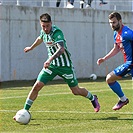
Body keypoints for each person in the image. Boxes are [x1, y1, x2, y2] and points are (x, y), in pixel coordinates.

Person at [13, 13, 100, 120]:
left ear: (51, 23)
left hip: (65, 66)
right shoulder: (43, 32)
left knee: (76, 91)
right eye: (43, 26)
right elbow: (40, 38)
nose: (45, 29)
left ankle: (93, 98)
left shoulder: (57, 33)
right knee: (37, 86)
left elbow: (61, 49)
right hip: (51, 66)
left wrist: (49, 59)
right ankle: (24, 111)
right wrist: (31, 47)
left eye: (47, 26)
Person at [97, 12, 133, 110]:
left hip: (131, 63)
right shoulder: (116, 34)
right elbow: (116, 49)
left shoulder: (127, 33)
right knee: (109, 79)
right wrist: (104, 58)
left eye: (114, 22)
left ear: (120, 21)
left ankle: (123, 99)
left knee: (109, 78)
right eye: (110, 23)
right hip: (129, 64)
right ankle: (123, 99)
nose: (112, 25)